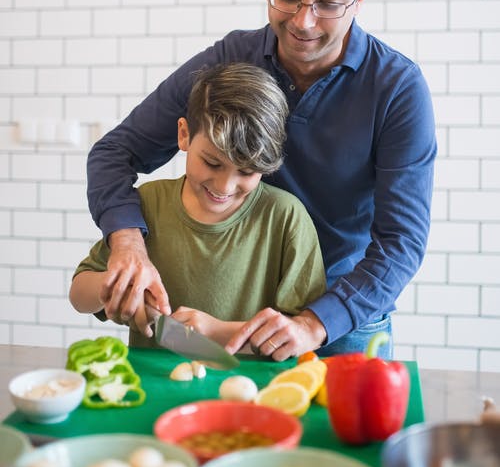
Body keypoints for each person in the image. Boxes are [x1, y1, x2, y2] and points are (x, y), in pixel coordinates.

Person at [86, 0, 437, 361]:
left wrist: (316, 323)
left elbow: (401, 242)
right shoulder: (230, 59)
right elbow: (114, 152)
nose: (303, 21)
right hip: (240, 317)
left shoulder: (397, 88)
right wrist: (128, 244)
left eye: (328, 2)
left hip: (346, 319)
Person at [71, 63, 326, 347]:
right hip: (153, 385)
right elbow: (79, 295)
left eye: (246, 171)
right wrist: (116, 287)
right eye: (212, 162)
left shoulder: (285, 217)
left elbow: (302, 335)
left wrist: (219, 332)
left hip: (251, 388)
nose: (224, 187)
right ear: (183, 134)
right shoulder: (147, 204)